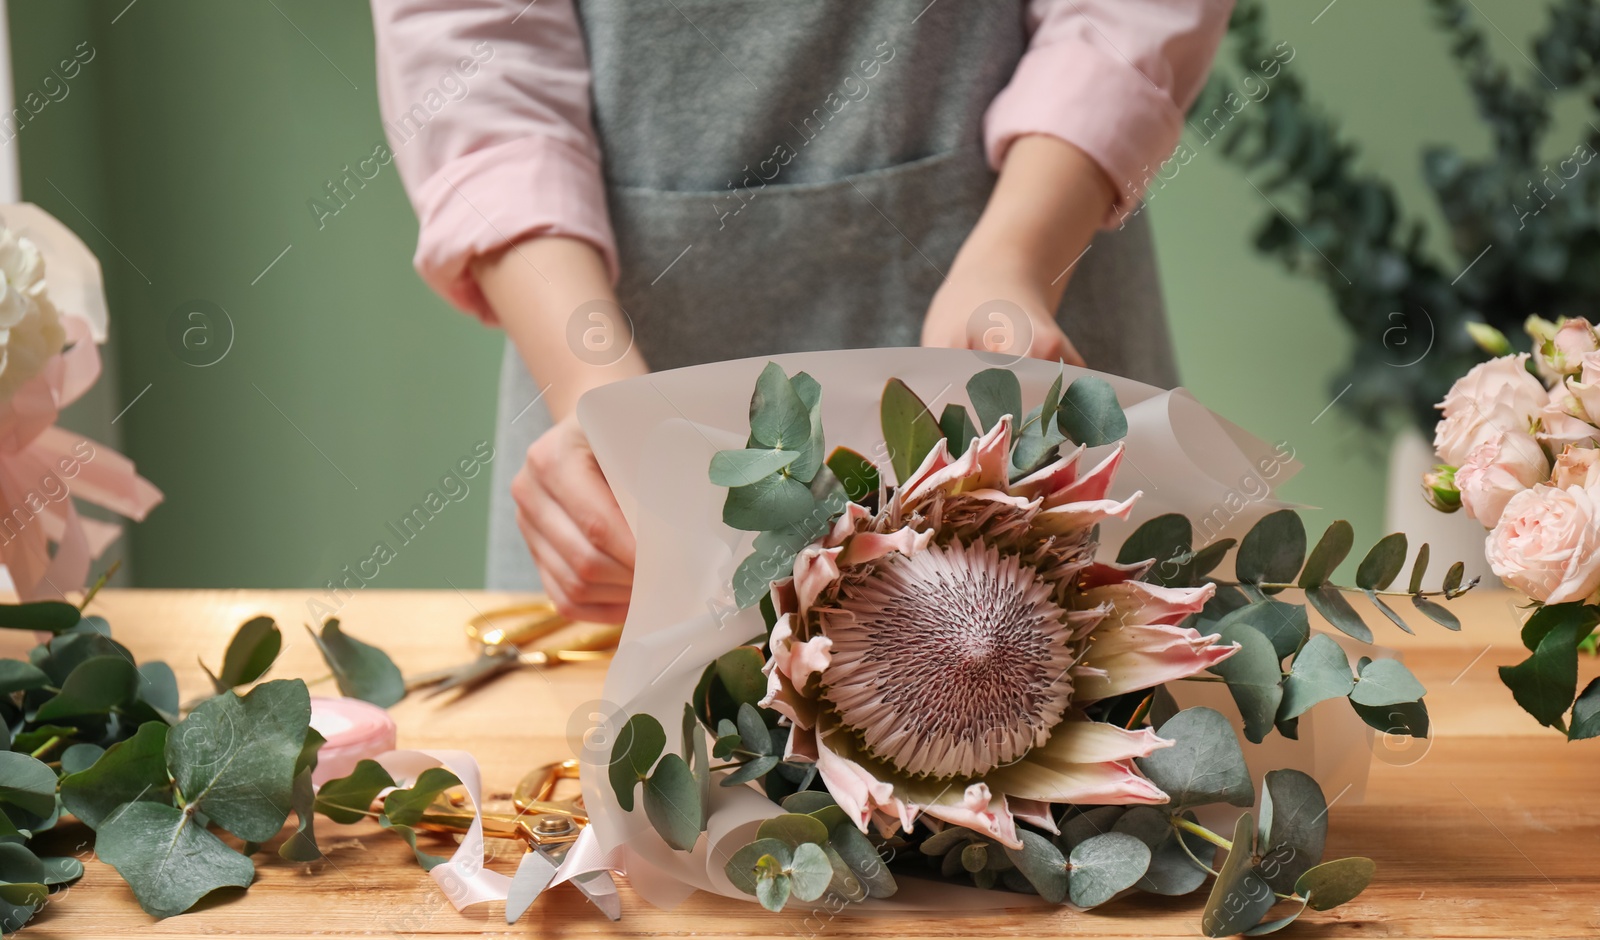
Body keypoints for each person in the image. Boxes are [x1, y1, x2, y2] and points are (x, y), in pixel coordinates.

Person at [371, 0, 1233, 623]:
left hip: (1036, 269)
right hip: (604, 333)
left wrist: (1015, 258)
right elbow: (467, 40)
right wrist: (600, 393)